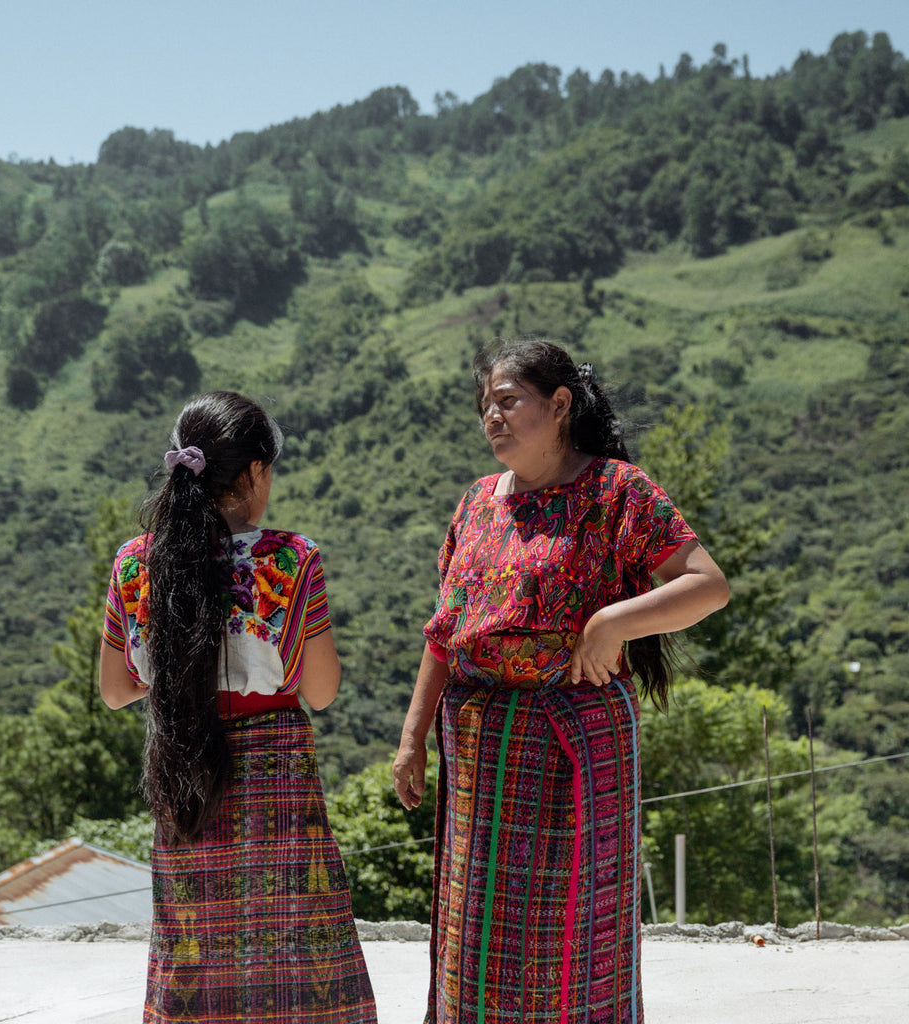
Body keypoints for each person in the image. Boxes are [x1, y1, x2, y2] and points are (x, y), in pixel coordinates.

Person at [392, 338, 730, 1024]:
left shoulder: (618, 493)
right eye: (485, 404)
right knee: (475, 929)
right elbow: (445, 630)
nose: (492, 416)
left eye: (508, 401)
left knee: (569, 930)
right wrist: (412, 738)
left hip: (575, 749)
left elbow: (708, 587)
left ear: (561, 404)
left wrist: (612, 623)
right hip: (480, 759)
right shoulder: (477, 504)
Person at [100, 391, 377, 1024]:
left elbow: (116, 690)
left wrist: (183, 669)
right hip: (275, 779)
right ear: (253, 473)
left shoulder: (136, 562)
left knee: (195, 946)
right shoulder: (288, 561)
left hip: (184, 767)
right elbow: (322, 691)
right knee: (295, 947)